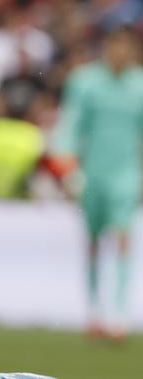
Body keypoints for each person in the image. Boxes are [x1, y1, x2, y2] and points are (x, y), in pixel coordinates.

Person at [54, 26, 143, 341]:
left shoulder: (139, 86)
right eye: (114, 46)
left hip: (127, 175)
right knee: (92, 242)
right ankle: (95, 311)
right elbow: (69, 126)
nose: (120, 53)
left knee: (122, 237)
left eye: (125, 47)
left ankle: (119, 315)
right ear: (106, 48)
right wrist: (67, 169)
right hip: (92, 174)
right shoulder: (85, 83)